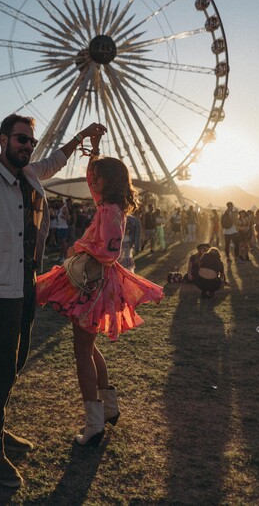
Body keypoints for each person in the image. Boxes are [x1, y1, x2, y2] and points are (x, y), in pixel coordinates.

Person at [0, 115, 106, 488]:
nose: (27, 146)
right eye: (21, 139)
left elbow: (54, 161)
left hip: (25, 284)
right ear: (3, 139)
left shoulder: (28, 176)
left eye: (30, 141)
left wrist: (81, 138)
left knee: (16, 360)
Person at [36, 135, 164, 449]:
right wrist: (92, 152)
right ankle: (109, 407)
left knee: (82, 353)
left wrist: (79, 249)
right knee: (89, 348)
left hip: (92, 286)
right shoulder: (112, 205)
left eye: (98, 176)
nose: (93, 179)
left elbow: (109, 251)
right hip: (99, 285)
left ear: (109, 180)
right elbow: (94, 185)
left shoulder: (109, 211)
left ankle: (94, 425)